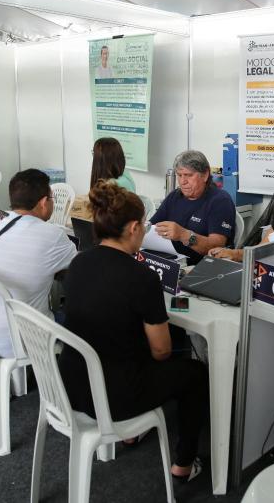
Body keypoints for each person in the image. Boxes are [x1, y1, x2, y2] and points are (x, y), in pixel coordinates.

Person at [60, 181, 208, 482]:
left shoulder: (78, 262)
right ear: (131, 228)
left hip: (72, 383)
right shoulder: (141, 277)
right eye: (142, 224)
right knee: (194, 373)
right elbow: (162, 351)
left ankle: (132, 436)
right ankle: (183, 463)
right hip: (114, 395)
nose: (144, 229)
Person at [0, 169, 77, 357]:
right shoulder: (52, 235)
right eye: (52, 198)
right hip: (21, 340)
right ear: (43, 202)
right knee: (87, 322)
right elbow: (80, 270)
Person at [149, 150, 236, 265]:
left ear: (205, 175)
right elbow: (152, 227)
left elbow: (217, 247)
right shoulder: (175, 195)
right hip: (170, 261)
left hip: (201, 266)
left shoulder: (220, 201)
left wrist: (183, 235)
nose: (183, 181)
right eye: (179, 175)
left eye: (188, 175)